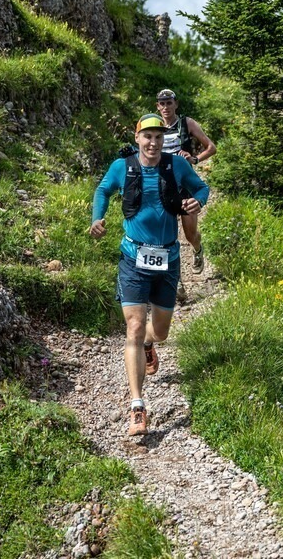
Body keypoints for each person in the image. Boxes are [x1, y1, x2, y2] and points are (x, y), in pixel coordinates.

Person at [89, 113, 209, 436]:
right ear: (138, 138)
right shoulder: (123, 167)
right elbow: (102, 191)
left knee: (160, 332)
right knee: (134, 326)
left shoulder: (176, 166)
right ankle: (137, 406)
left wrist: (197, 202)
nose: (153, 143)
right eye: (147, 137)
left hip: (168, 258)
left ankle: (147, 346)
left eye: (158, 137)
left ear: (163, 140)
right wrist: (97, 218)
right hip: (133, 256)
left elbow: (202, 188)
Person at [155, 89, 216, 276]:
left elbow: (211, 148)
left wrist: (195, 159)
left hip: (185, 185)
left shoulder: (186, 123)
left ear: (176, 104)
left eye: (169, 103)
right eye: (162, 103)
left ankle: (197, 249)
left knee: (190, 234)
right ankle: (176, 279)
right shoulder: (154, 126)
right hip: (163, 185)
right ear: (157, 106)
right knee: (165, 236)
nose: (166, 107)